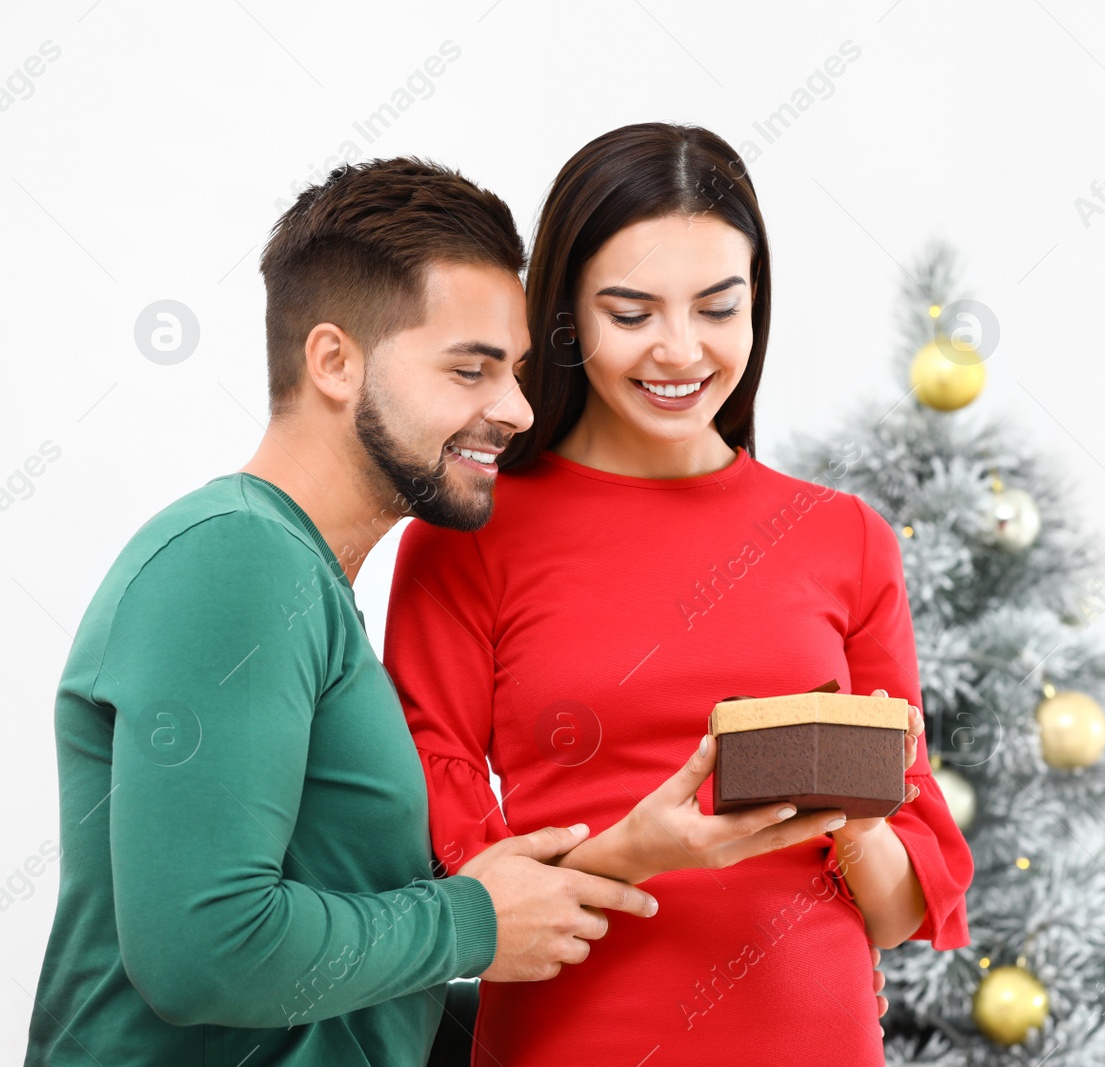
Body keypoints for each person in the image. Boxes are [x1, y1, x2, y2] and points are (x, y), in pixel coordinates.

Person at [22, 157, 660, 1067]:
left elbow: (332, 991)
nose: (515, 409)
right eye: (470, 370)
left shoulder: (298, 578)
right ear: (335, 361)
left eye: (513, 372)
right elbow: (206, 953)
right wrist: (472, 921)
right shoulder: (234, 563)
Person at [384, 123, 974, 1066]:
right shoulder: (466, 537)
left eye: (717, 308)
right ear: (567, 318)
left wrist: (858, 816)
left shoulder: (843, 537)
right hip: (574, 1040)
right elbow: (451, 881)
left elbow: (901, 912)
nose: (679, 350)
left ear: (756, 309)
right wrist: (637, 848)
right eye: (631, 313)